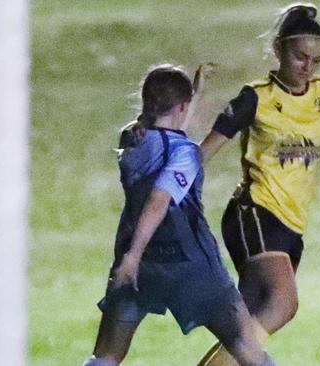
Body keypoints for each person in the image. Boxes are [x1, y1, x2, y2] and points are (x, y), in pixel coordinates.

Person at [196, 3, 320, 365]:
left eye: (316, 60)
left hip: (292, 223)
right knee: (283, 303)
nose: (307, 67)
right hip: (255, 212)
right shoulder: (256, 97)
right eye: (300, 57)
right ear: (278, 50)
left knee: (243, 325)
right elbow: (203, 152)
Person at [83, 64, 275, 366]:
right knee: (245, 345)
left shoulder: (130, 139)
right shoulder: (185, 153)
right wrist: (133, 255)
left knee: (106, 354)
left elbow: (163, 125)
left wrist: (194, 92)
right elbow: (159, 200)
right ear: (182, 106)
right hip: (191, 265)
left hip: (142, 266)